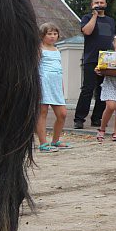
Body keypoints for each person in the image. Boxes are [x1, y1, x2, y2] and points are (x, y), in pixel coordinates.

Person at [73, 0, 116, 129]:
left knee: (102, 90)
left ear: (105, 4)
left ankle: (97, 118)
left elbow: (115, 39)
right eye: (96, 2)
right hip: (91, 59)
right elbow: (87, 31)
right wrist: (94, 16)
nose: (99, 4)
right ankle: (79, 119)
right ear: (92, 5)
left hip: (107, 60)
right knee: (87, 89)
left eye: (101, 2)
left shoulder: (110, 21)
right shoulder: (87, 18)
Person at [36, 22, 71, 152]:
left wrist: (61, 85)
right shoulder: (38, 49)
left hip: (56, 84)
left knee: (62, 114)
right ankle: (43, 143)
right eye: (49, 34)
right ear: (42, 35)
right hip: (43, 82)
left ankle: (55, 141)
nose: (52, 36)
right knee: (42, 112)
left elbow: (59, 69)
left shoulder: (57, 49)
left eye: (55, 33)